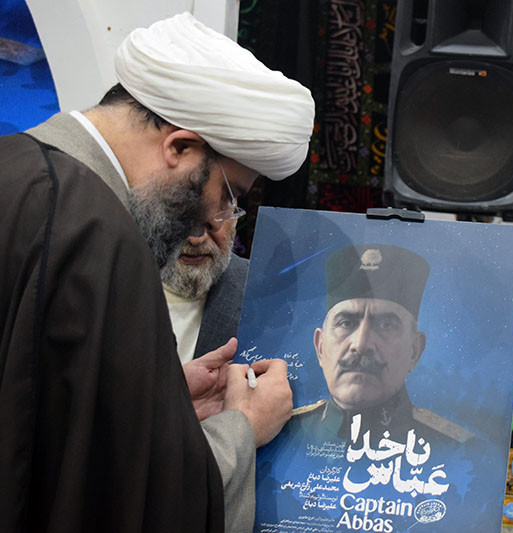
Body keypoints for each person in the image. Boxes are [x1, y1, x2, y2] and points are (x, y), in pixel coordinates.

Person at [0, 12, 313, 533]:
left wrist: (159, 400)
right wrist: (242, 427)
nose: (214, 222)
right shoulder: (98, 236)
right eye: (228, 194)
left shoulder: (14, 172)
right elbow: (131, 499)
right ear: (180, 147)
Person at [291, 244, 473, 447]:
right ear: (320, 347)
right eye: (346, 323)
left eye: (386, 325)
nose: (361, 344)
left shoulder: (460, 451)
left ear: (414, 351)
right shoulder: (283, 436)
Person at [161, 218, 249, 364]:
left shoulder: (262, 295)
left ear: (234, 216)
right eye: (181, 218)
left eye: (213, 220)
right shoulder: (121, 281)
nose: (196, 239)